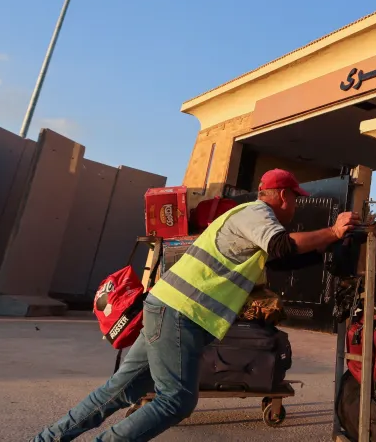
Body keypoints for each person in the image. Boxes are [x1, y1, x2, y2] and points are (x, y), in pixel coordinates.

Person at [31, 169, 359, 441]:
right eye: (296, 200)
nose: (296, 208)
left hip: (169, 308)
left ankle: (47, 439)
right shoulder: (257, 213)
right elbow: (282, 247)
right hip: (181, 312)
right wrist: (332, 230)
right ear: (285, 195)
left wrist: (329, 248)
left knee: (121, 390)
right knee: (176, 400)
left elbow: (284, 261)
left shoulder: (246, 220)